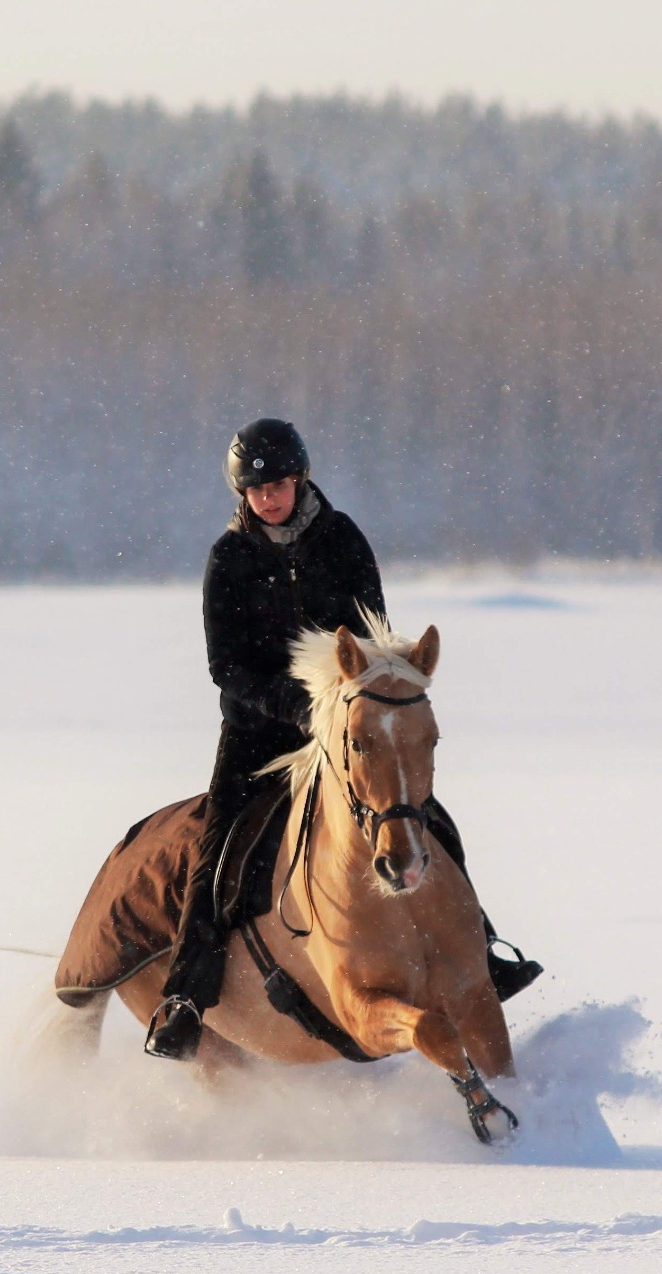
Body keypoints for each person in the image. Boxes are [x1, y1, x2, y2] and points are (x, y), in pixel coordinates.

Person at [145, 418, 539, 1062]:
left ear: (300, 479)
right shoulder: (230, 557)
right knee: (216, 855)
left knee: (427, 819)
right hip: (259, 732)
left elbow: (371, 636)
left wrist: (352, 702)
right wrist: (298, 707)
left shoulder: (342, 537)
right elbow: (226, 665)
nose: (268, 497)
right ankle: (187, 998)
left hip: (351, 724)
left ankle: (483, 953)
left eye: (277, 485)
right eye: (255, 490)